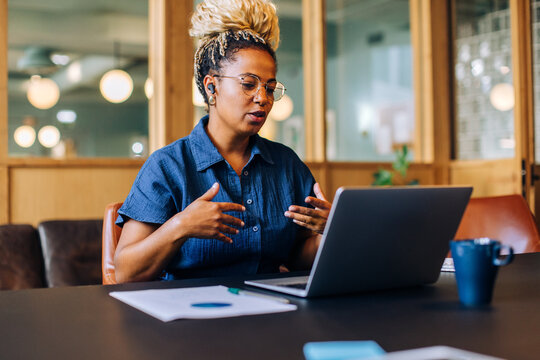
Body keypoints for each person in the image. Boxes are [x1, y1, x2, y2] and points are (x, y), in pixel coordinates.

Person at [114, 0, 332, 283]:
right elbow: (125, 273)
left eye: (269, 87)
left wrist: (329, 232)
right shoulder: (168, 165)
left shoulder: (286, 163)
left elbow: (298, 257)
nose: (262, 98)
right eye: (248, 84)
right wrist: (182, 225)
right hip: (190, 316)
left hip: (270, 312)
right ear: (211, 87)